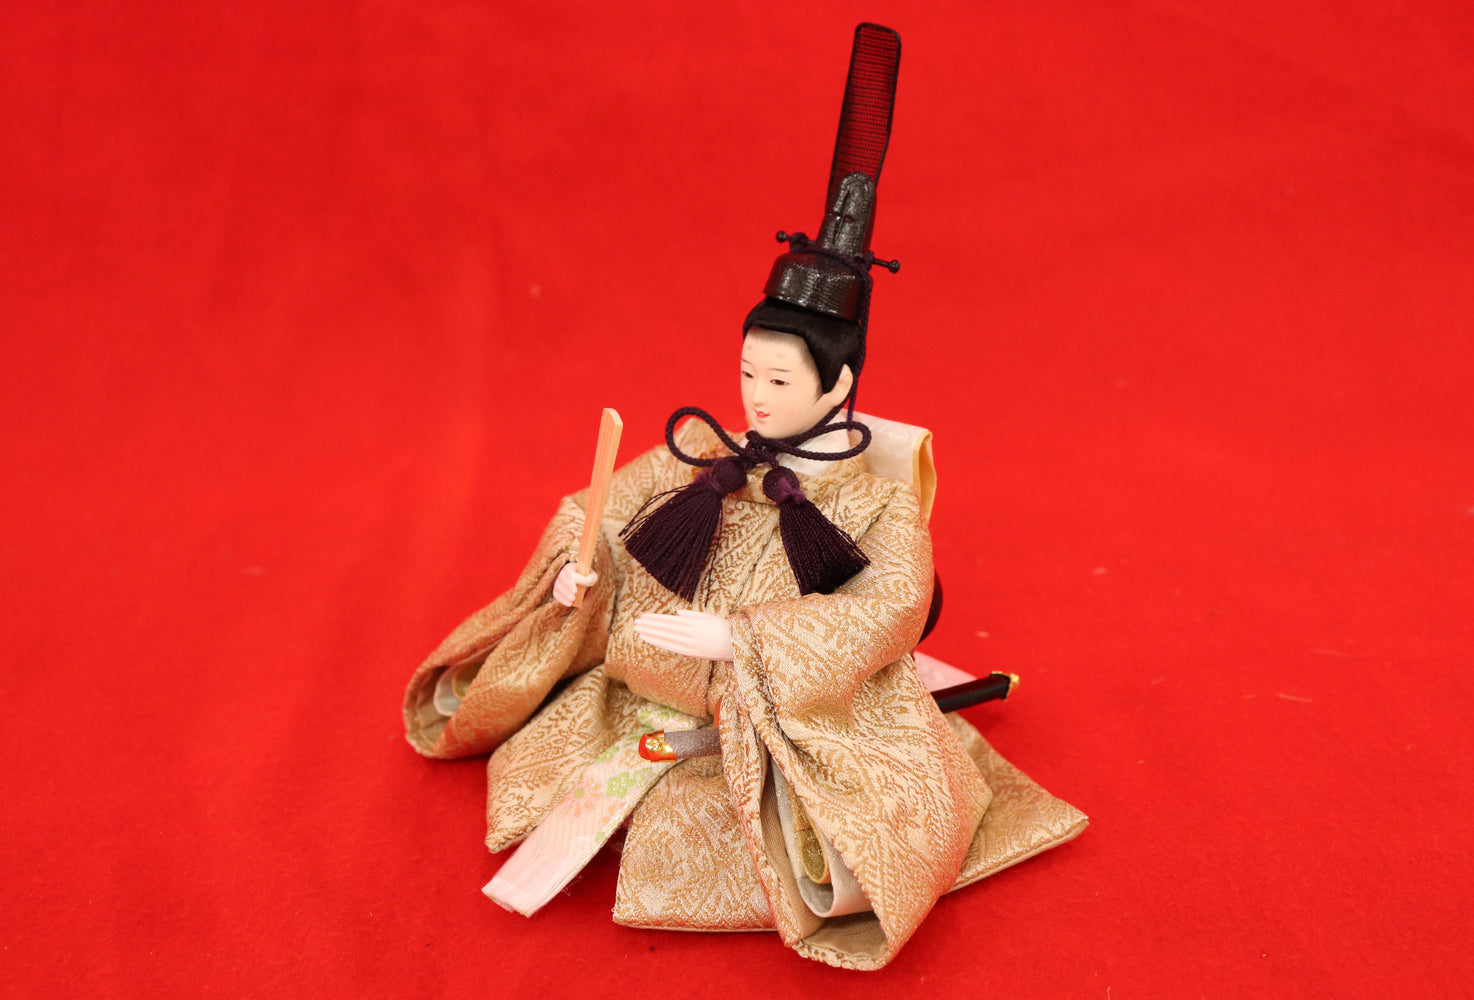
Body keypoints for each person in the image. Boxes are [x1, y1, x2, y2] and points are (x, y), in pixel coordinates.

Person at [402, 24, 1085, 970]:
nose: (755, 399)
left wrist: (747, 641)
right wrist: (573, 574)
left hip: (775, 727)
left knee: (818, 825)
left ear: (838, 387)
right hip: (631, 695)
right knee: (536, 760)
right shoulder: (701, 452)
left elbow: (890, 605)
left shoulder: (873, 502)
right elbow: (596, 512)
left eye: (779, 381)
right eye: (747, 374)